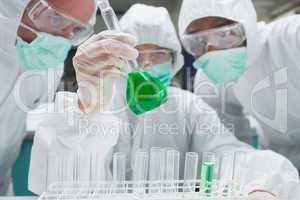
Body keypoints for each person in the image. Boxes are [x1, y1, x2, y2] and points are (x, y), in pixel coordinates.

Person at [29, 3, 300, 199]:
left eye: (158, 55)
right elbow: (53, 181)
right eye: (135, 53)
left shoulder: (188, 108)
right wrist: (87, 108)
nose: (144, 65)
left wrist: (262, 186)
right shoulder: (98, 103)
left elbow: (230, 156)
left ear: (175, 61)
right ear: (119, 56)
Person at [178, 0, 300, 170]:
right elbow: (226, 143)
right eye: (198, 40)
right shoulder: (208, 77)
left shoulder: (292, 37)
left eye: (225, 34)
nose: (212, 49)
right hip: (281, 168)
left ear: (247, 26)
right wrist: (250, 172)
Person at [0, 0, 96, 195]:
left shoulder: (46, 62)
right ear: (19, 7)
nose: (68, 35)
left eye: (77, 29)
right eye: (57, 18)